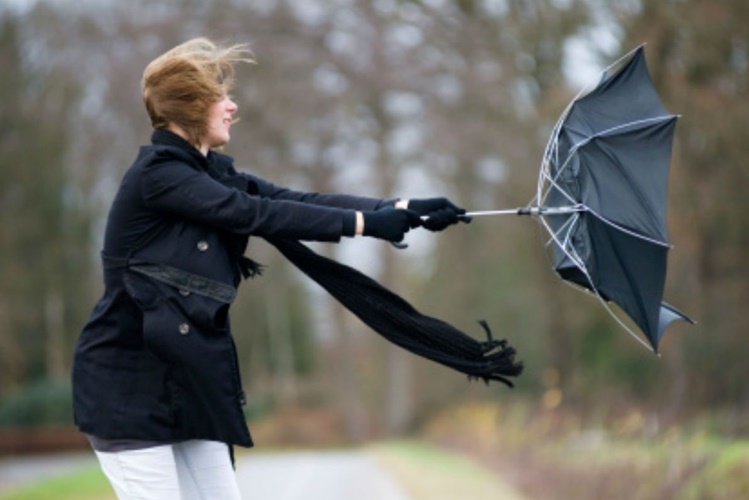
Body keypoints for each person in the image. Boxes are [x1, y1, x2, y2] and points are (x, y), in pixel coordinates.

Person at [71, 37, 468, 499]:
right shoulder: (158, 175)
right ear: (191, 106)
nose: (232, 106)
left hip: (188, 383)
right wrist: (366, 225)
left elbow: (289, 200)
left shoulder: (207, 172)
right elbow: (253, 214)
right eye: (221, 97)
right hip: (128, 390)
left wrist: (400, 207)